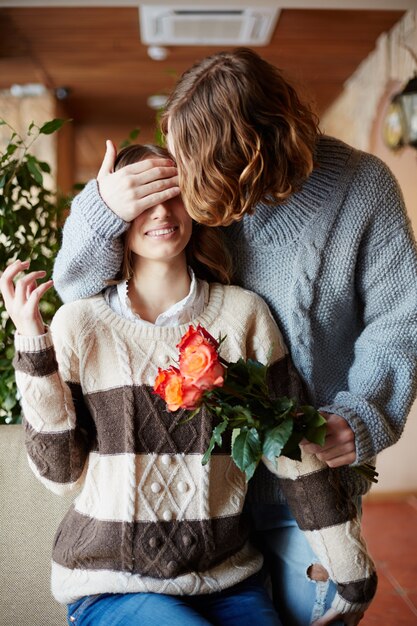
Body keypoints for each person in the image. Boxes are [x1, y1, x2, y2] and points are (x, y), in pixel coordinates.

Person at [51, 48, 417, 625]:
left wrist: (366, 411)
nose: (181, 178)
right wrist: (102, 210)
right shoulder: (194, 189)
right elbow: (75, 286)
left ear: (249, 154)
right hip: (207, 496)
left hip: (306, 487)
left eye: (192, 161)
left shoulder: (363, 190)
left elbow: (401, 317)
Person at [1, 143, 377, 626]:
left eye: (173, 192)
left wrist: (354, 578)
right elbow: (59, 475)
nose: (161, 210)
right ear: (115, 211)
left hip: (230, 580)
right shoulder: (78, 324)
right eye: (143, 195)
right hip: (110, 584)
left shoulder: (244, 315)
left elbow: (294, 454)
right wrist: (33, 345)